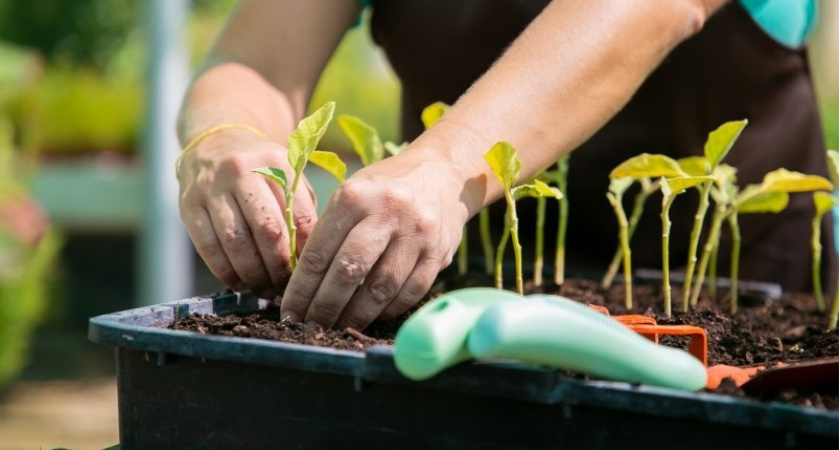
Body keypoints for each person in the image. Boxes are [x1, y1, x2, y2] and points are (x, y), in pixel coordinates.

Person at [176, 0, 837, 330]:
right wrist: (224, 134)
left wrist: (444, 166)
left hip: (727, 309)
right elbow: (259, 60)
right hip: (451, 307)